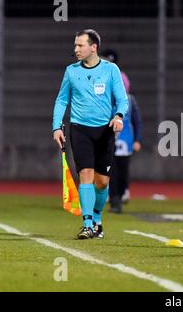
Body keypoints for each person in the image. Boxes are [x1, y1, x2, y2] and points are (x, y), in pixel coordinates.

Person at [52, 29, 129, 239]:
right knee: (85, 174)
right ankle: (87, 224)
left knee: (102, 181)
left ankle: (97, 217)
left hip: (104, 131)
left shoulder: (111, 70)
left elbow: (122, 99)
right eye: (75, 45)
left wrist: (119, 116)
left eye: (80, 45)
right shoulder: (71, 71)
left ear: (93, 47)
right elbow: (61, 100)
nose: (76, 49)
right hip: (79, 129)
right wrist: (56, 127)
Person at [100, 49, 143, 214]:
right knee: (111, 172)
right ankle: (115, 201)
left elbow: (136, 121)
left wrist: (137, 139)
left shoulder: (130, 101)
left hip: (125, 141)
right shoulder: (105, 100)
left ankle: (123, 191)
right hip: (109, 140)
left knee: (123, 171)